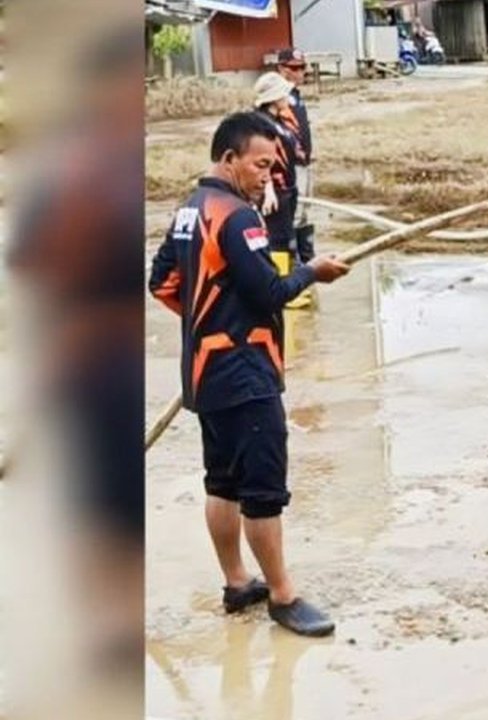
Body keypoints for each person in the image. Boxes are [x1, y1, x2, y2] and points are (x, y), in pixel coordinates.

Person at [148, 111, 350, 636]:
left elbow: (162, 282)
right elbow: (271, 292)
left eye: (272, 166)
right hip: (245, 377)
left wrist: (209, 321)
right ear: (228, 158)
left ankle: (237, 583)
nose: (268, 176)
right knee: (261, 490)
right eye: (260, 165)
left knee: (222, 482)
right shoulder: (239, 218)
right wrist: (313, 271)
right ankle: (283, 596)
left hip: (206, 375)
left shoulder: (190, 209)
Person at [252, 71, 312, 310]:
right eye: (284, 94)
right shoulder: (261, 125)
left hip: (286, 187)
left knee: (286, 240)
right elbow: (261, 160)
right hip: (274, 191)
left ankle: (286, 288)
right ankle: (281, 293)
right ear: (273, 98)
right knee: (278, 241)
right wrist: (268, 189)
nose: (288, 97)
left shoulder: (278, 121)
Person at [274, 48, 315, 265]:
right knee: (294, 213)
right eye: (295, 68)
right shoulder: (277, 98)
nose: (300, 72)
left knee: (306, 212)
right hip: (290, 165)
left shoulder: (296, 95)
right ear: (282, 69)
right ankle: (292, 264)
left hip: (305, 163)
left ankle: (307, 258)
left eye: (302, 67)